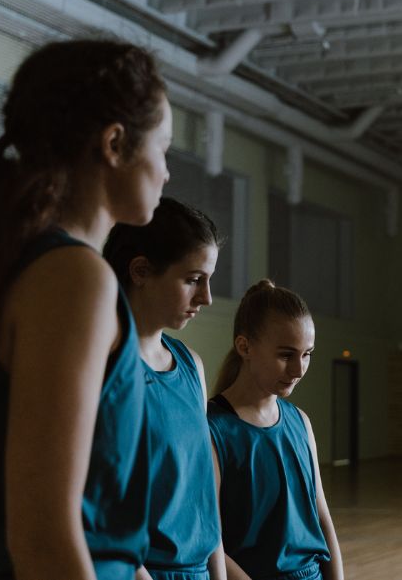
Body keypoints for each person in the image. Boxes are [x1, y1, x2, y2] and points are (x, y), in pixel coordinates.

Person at [0, 40, 170, 580]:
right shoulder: (73, 279)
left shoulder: (27, 265)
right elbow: (43, 538)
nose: (167, 172)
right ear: (115, 143)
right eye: (164, 149)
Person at [102, 197, 225, 580]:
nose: (206, 298)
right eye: (193, 280)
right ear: (140, 270)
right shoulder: (103, 366)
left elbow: (203, 496)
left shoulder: (192, 365)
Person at [207, 280, 344, 580]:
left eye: (307, 354)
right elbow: (209, 540)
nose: (298, 369)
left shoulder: (301, 422)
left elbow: (322, 517)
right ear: (244, 347)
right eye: (286, 355)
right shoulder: (212, 429)